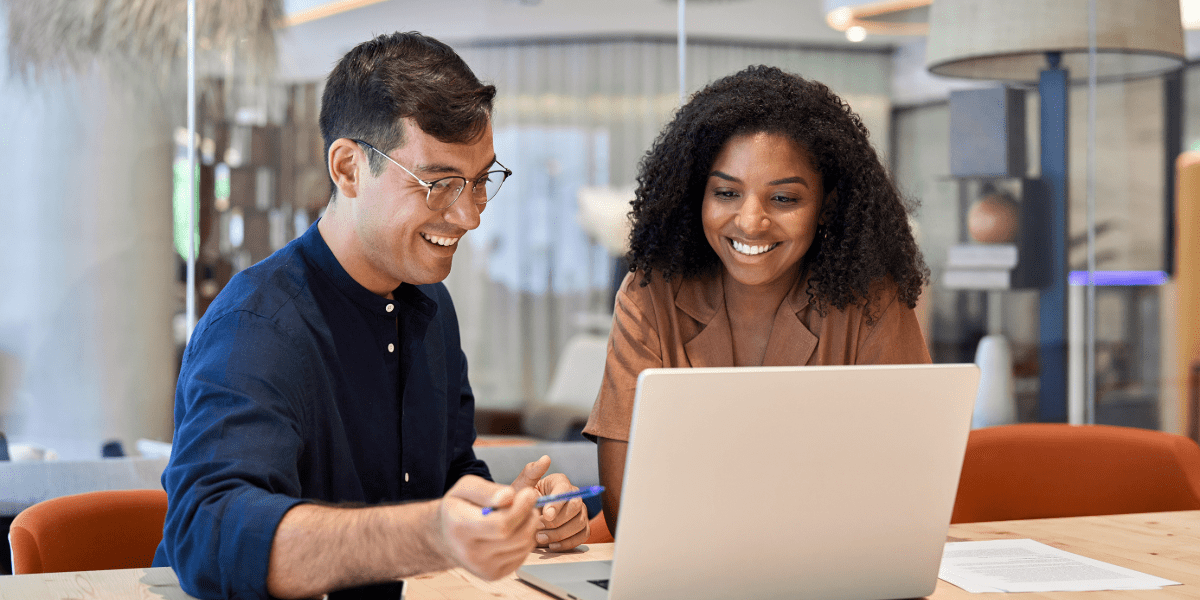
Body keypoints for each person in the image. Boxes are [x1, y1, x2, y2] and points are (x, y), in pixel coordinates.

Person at [154, 32, 588, 600]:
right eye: (438, 184)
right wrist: (431, 534)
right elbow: (208, 533)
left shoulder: (431, 305)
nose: (468, 216)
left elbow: (450, 474)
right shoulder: (255, 327)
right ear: (349, 169)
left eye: (480, 182)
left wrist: (508, 512)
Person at [583, 65, 932, 533]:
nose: (750, 222)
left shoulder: (872, 302)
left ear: (827, 204)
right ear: (696, 196)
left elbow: (903, 495)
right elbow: (627, 512)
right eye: (726, 192)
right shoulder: (651, 296)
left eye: (783, 199)